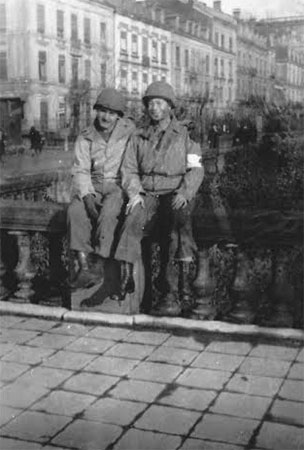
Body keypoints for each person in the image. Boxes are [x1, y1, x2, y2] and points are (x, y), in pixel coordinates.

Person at [114, 81, 204, 316]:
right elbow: (129, 168)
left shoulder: (185, 135)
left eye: (159, 103)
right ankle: (125, 279)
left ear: (169, 106)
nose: (154, 108)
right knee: (131, 220)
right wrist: (134, 193)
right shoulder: (139, 135)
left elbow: (196, 168)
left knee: (176, 226)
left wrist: (185, 192)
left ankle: (175, 290)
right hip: (147, 192)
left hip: (174, 191)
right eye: (150, 103)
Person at [67, 88, 135, 289]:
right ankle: (83, 266)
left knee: (109, 213)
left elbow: (136, 159)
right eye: (103, 111)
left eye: (112, 113)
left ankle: (99, 262)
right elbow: (80, 168)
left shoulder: (129, 132)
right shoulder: (86, 135)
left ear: (118, 116)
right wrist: (87, 195)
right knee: (75, 211)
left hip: (117, 185)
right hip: (94, 184)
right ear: (96, 111)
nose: (106, 117)